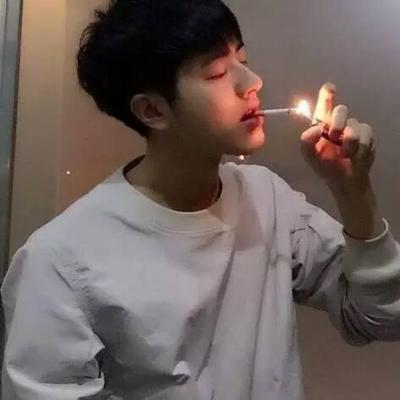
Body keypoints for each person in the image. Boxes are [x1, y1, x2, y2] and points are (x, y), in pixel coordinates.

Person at [1, 0, 400, 399]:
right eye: (217, 72)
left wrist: (352, 190)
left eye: (243, 59)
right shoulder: (60, 262)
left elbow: (380, 318)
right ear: (153, 110)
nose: (253, 81)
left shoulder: (267, 199)